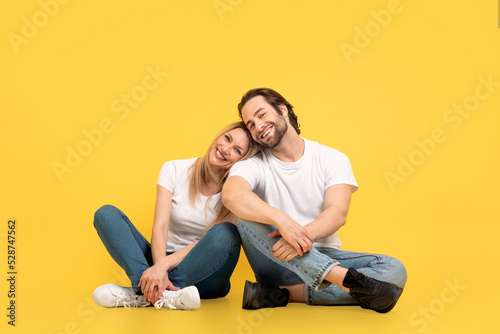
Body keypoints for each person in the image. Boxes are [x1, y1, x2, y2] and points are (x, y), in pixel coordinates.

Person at [222, 88, 407, 313]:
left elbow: (337, 212)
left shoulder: (332, 158)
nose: (258, 126)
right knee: (246, 220)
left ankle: (281, 293)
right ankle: (340, 279)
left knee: (394, 270)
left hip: (324, 253)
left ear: (282, 110)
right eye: (250, 124)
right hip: (276, 258)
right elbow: (232, 195)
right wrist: (284, 222)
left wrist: (300, 237)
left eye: (261, 115)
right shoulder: (252, 165)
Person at [92, 122, 260, 310]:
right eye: (227, 138)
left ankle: (144, 291)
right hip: (162, 258)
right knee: (106, 214)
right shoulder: (173, 169)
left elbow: (211, 241)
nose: (225, 149)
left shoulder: (239, 190)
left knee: (227, 232)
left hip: (208, 273)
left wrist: (162, 268)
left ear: (242, 162)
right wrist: (159, 266)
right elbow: (160, 227)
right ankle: (160, 293)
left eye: (237, 150)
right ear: (219, 136)